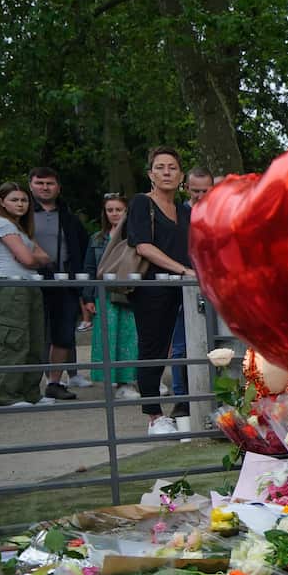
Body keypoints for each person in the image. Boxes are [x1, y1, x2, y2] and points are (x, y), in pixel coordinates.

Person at [126, 147, 195, 434]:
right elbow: (142, 245)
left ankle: (192, 405)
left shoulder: (184, 210)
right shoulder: (143, 203)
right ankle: (153, 414)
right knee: (153, 348)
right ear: (150, 174)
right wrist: (181, 269)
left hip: (186, 288)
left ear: (181, 176)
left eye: (172, 168)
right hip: (153, 287)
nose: (167, 172)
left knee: (192, 346)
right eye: (160, 167)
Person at [28, 167, 91, 400]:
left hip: (64, 282)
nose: (45, 187)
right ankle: (27, 384)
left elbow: (83, 249)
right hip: (32, 280)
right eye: (40, 183)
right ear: (31, 185)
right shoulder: (21, 215)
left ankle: (54, 382)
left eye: (50, 183)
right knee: (31, 333)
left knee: (63, 333)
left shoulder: (69, 218)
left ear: (58, 187)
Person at [0, 182, 52, 406]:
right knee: (15, 341)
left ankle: (31, 393)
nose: (20, 204)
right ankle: (7, 396)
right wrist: (32, 258)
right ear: (1, 202)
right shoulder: (1, 224)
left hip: (29, 286)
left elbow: (43, 257)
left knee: (35, 341)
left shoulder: (21, 228)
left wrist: (33, 257)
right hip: (11, 287)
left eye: (24, 200)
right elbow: (28, 259)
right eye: (14, 200)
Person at [166, 167, 215, 417]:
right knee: (180, 346)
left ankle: (212, 394)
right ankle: (181, 398)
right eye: (194, 191)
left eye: (204, 191)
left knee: (215, 342)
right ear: (186, 188)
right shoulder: (178, 214)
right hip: (184, 284)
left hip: (212, 287)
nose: (199, 196)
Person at [83, 194, 139, 398]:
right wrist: (88, 298)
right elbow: (89, 268)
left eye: (119, 209)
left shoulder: (133, 235)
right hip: (104, 296)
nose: (114, 214)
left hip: (128, 293)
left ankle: (128, 382)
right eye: (110, 210)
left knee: (130, 338)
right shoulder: (97, 238)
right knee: (107, 338)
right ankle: (111, 381)